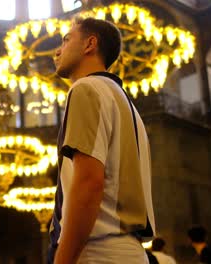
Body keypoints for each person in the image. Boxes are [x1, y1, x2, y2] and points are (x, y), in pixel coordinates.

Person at [48, 17, 156, 264]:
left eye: (66, 40)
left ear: (90, 44)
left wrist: (62, 260)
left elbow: (88, 183)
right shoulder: (127, 104)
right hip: (130, 251)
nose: (57, 51)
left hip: (97, 252)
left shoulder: (86, 89)